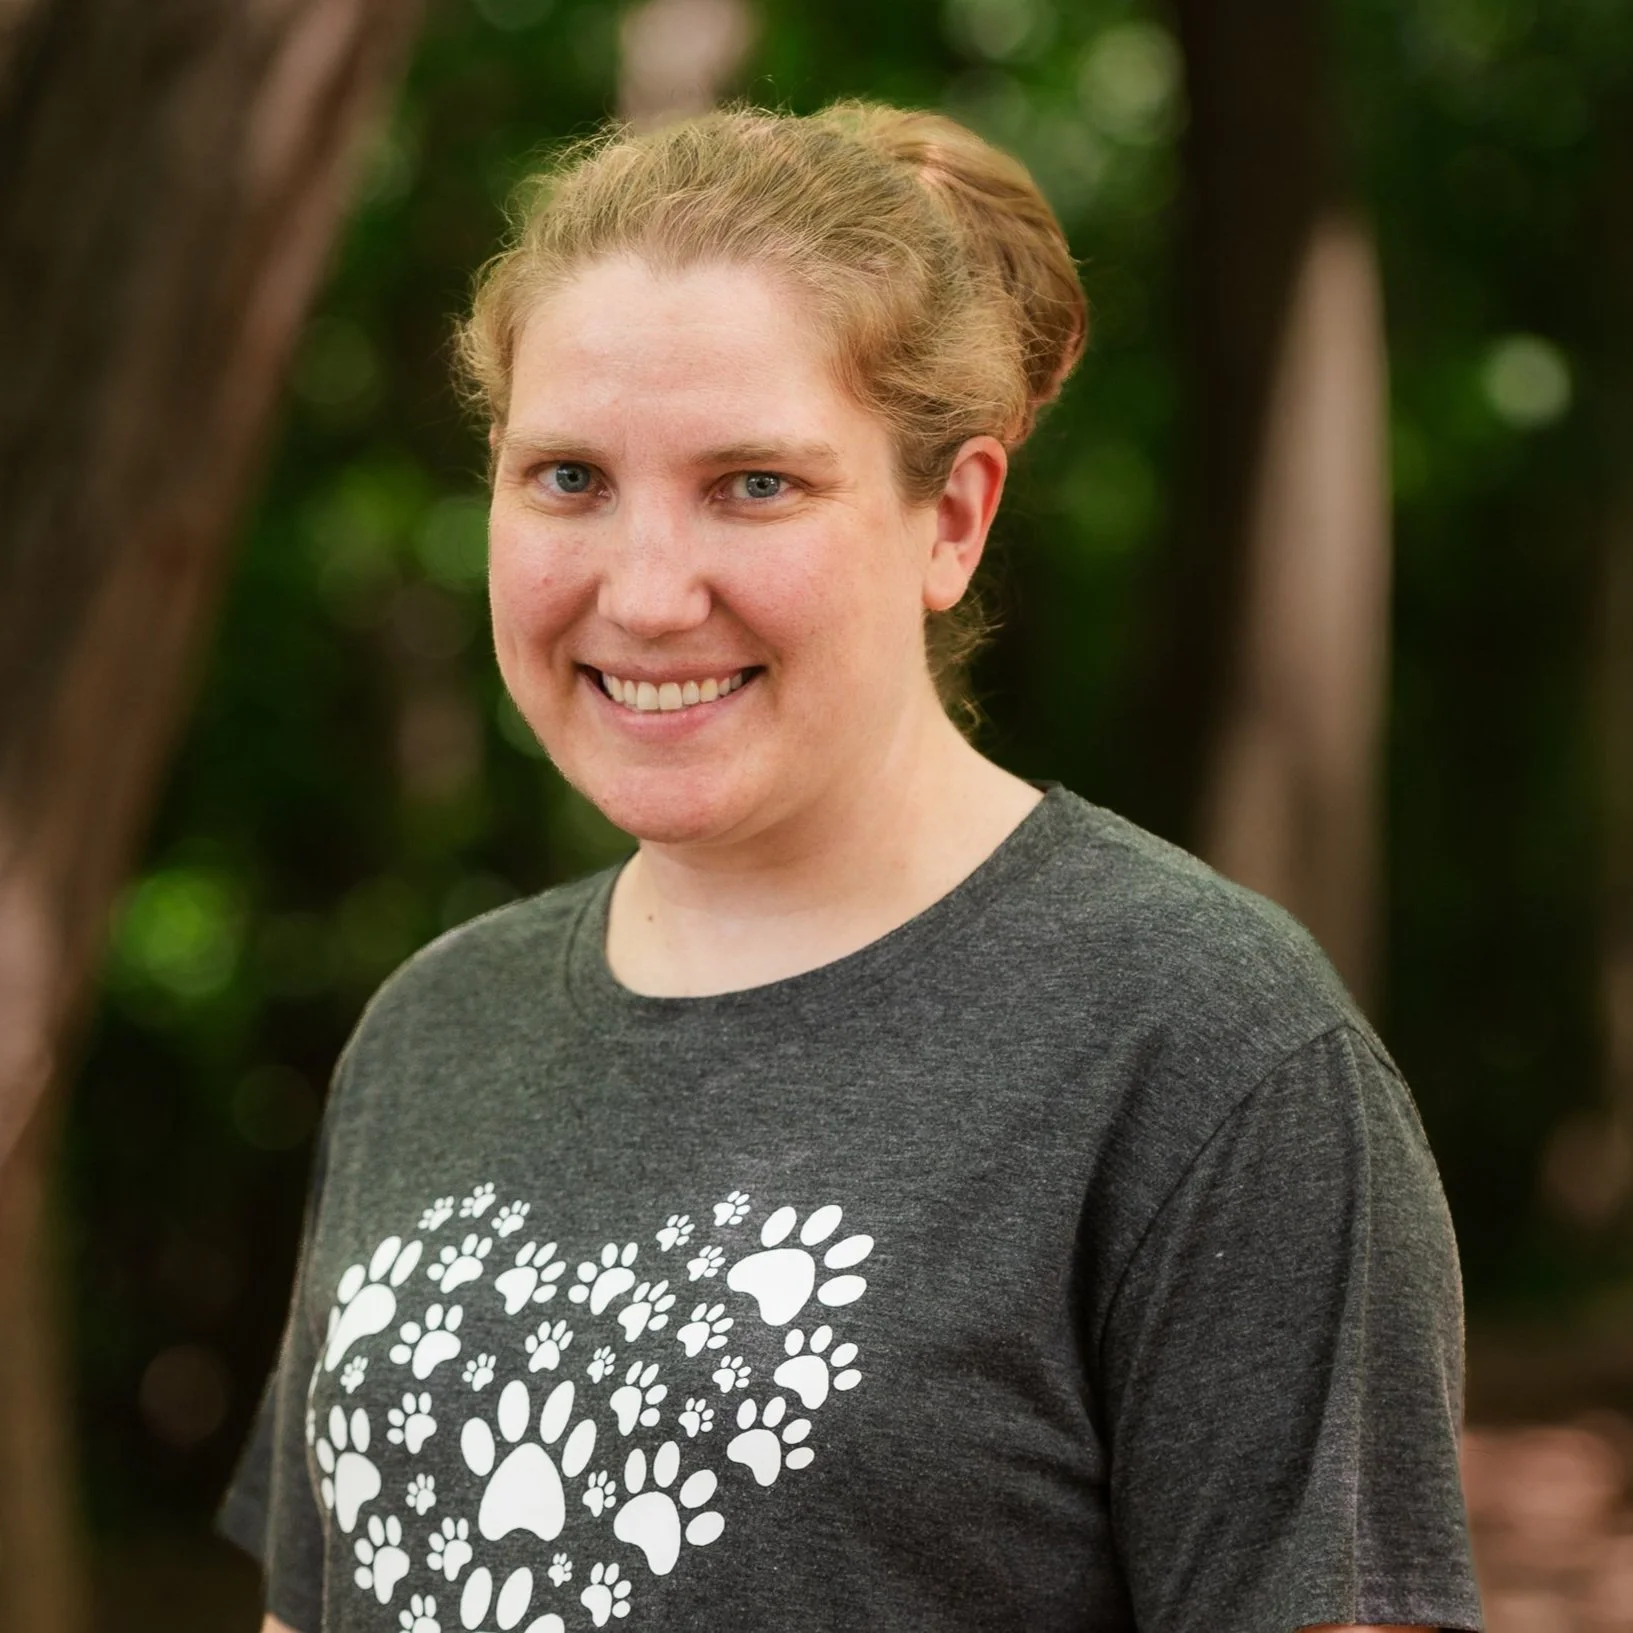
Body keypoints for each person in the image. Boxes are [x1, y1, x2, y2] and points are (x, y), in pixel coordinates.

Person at [220, 102, 1483, 1633]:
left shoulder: (1206, 1050)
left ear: (949, 517)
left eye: (755, 483)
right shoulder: (430, 1033)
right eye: (568, 479)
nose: (647, 589)